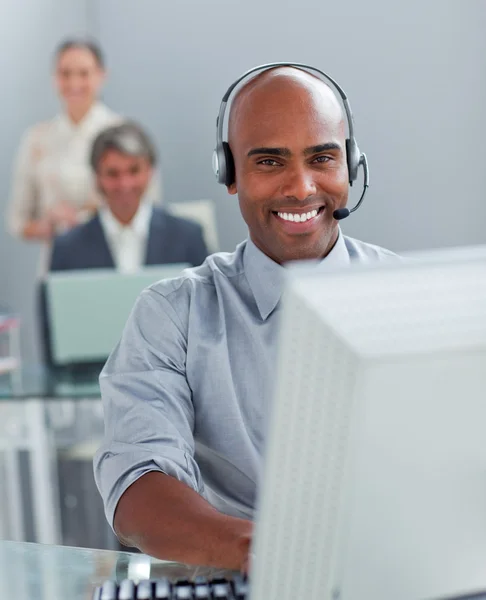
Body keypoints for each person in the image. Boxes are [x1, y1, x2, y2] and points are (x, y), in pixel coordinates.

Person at [93, 65, 397, 571]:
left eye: (322, 158)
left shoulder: (411, 295)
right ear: (229, 174)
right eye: (270, 162)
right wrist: (266, 553)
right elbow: (137, 484)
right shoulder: (173, 315)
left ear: (352, 164)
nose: (301, 188)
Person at [49, 122, 208, 271]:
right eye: (112, 173)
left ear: (150, 171)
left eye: (134, 171)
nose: (125, 184)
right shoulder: (67, 248)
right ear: (97, 177)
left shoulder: (187, 237)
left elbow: (209, 299)